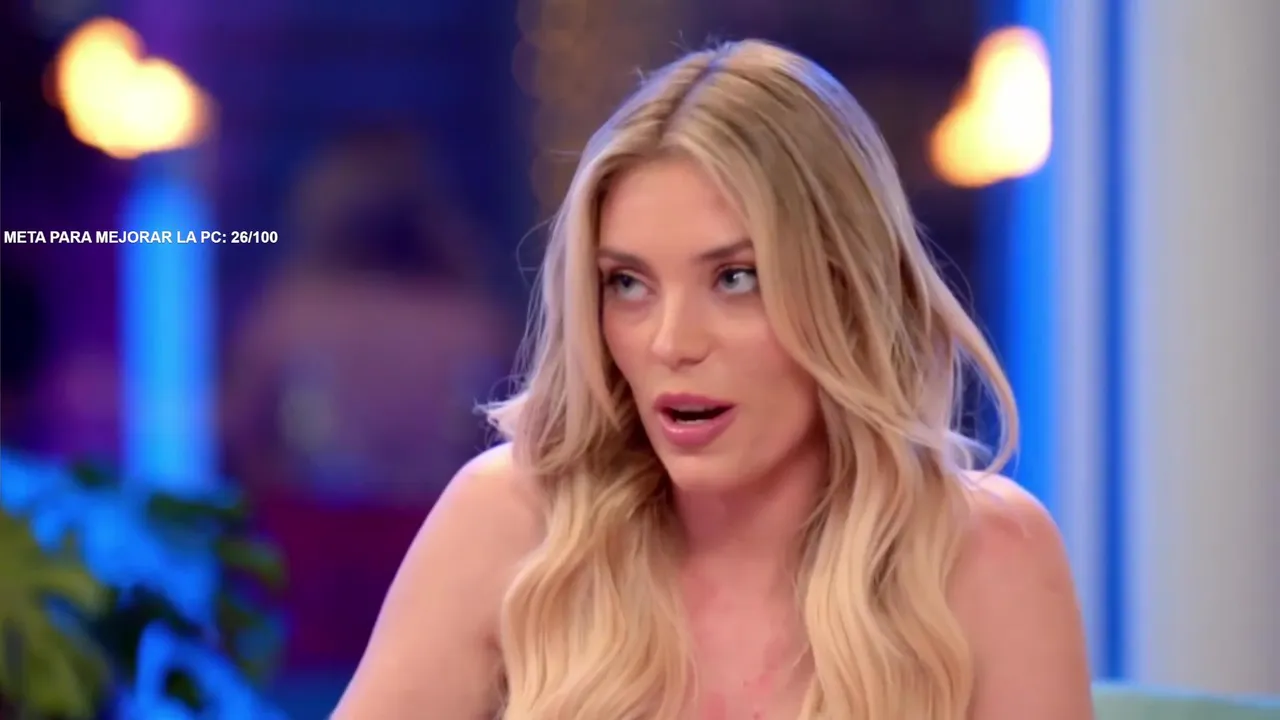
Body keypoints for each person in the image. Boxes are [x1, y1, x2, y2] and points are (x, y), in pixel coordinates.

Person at [333, 39, 1092, 719]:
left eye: (735, 278)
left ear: (847, 291)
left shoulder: (989, 557)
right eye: (628, 284)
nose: (671, 342)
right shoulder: (511, 523)